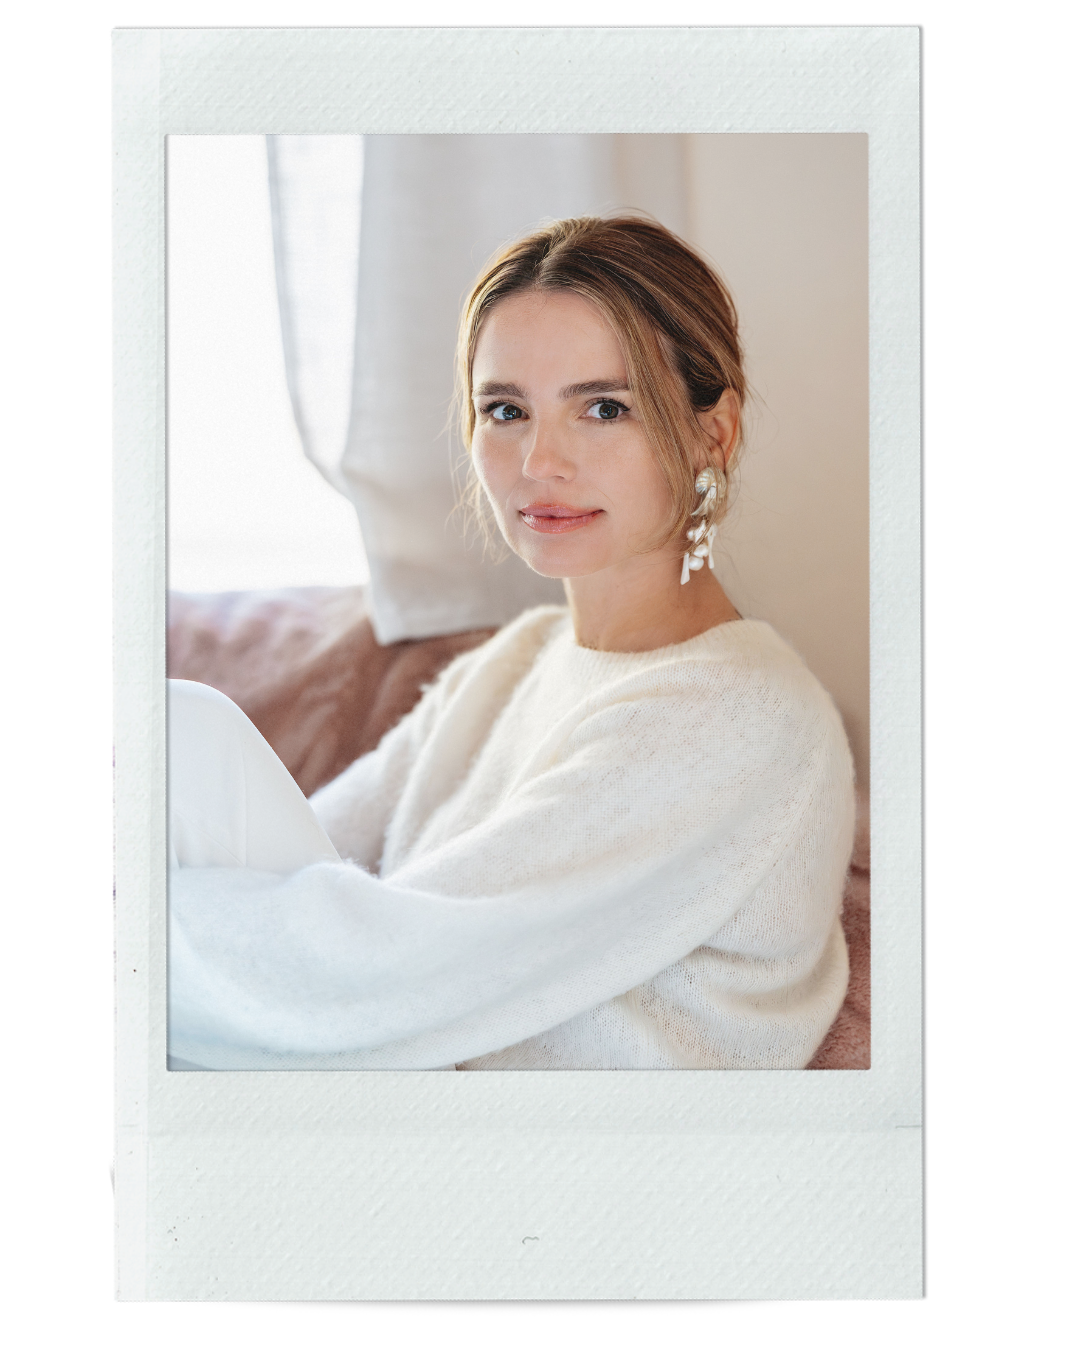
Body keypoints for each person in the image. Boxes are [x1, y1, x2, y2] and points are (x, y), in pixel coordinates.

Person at [168, 215, 856, 1071]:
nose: (539, 461)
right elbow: (314, 854)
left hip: (501, 1131)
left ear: (711, 433)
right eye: (505, 410)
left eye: (604, 408)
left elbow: (387, 968)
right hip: (378, 1056)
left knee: (183, 736)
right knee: (182, 737)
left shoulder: (741, 717)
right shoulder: (517, 660)